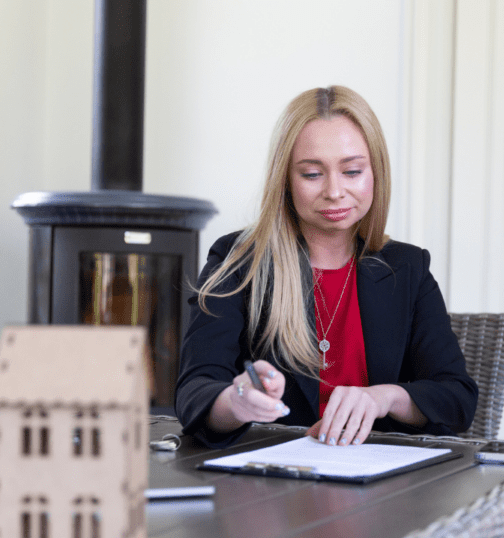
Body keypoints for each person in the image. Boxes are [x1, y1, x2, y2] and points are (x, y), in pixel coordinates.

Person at [175, 86, 478, 449]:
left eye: (351, 171)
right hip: (271, 482)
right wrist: (236, 401)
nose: (335, 191)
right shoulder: (240, 261)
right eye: (312, 174)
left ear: (375, 173)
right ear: (284, 180)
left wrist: (384, 397)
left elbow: (457, 397)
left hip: (387, 488)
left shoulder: (408, 267)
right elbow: (195, 389)